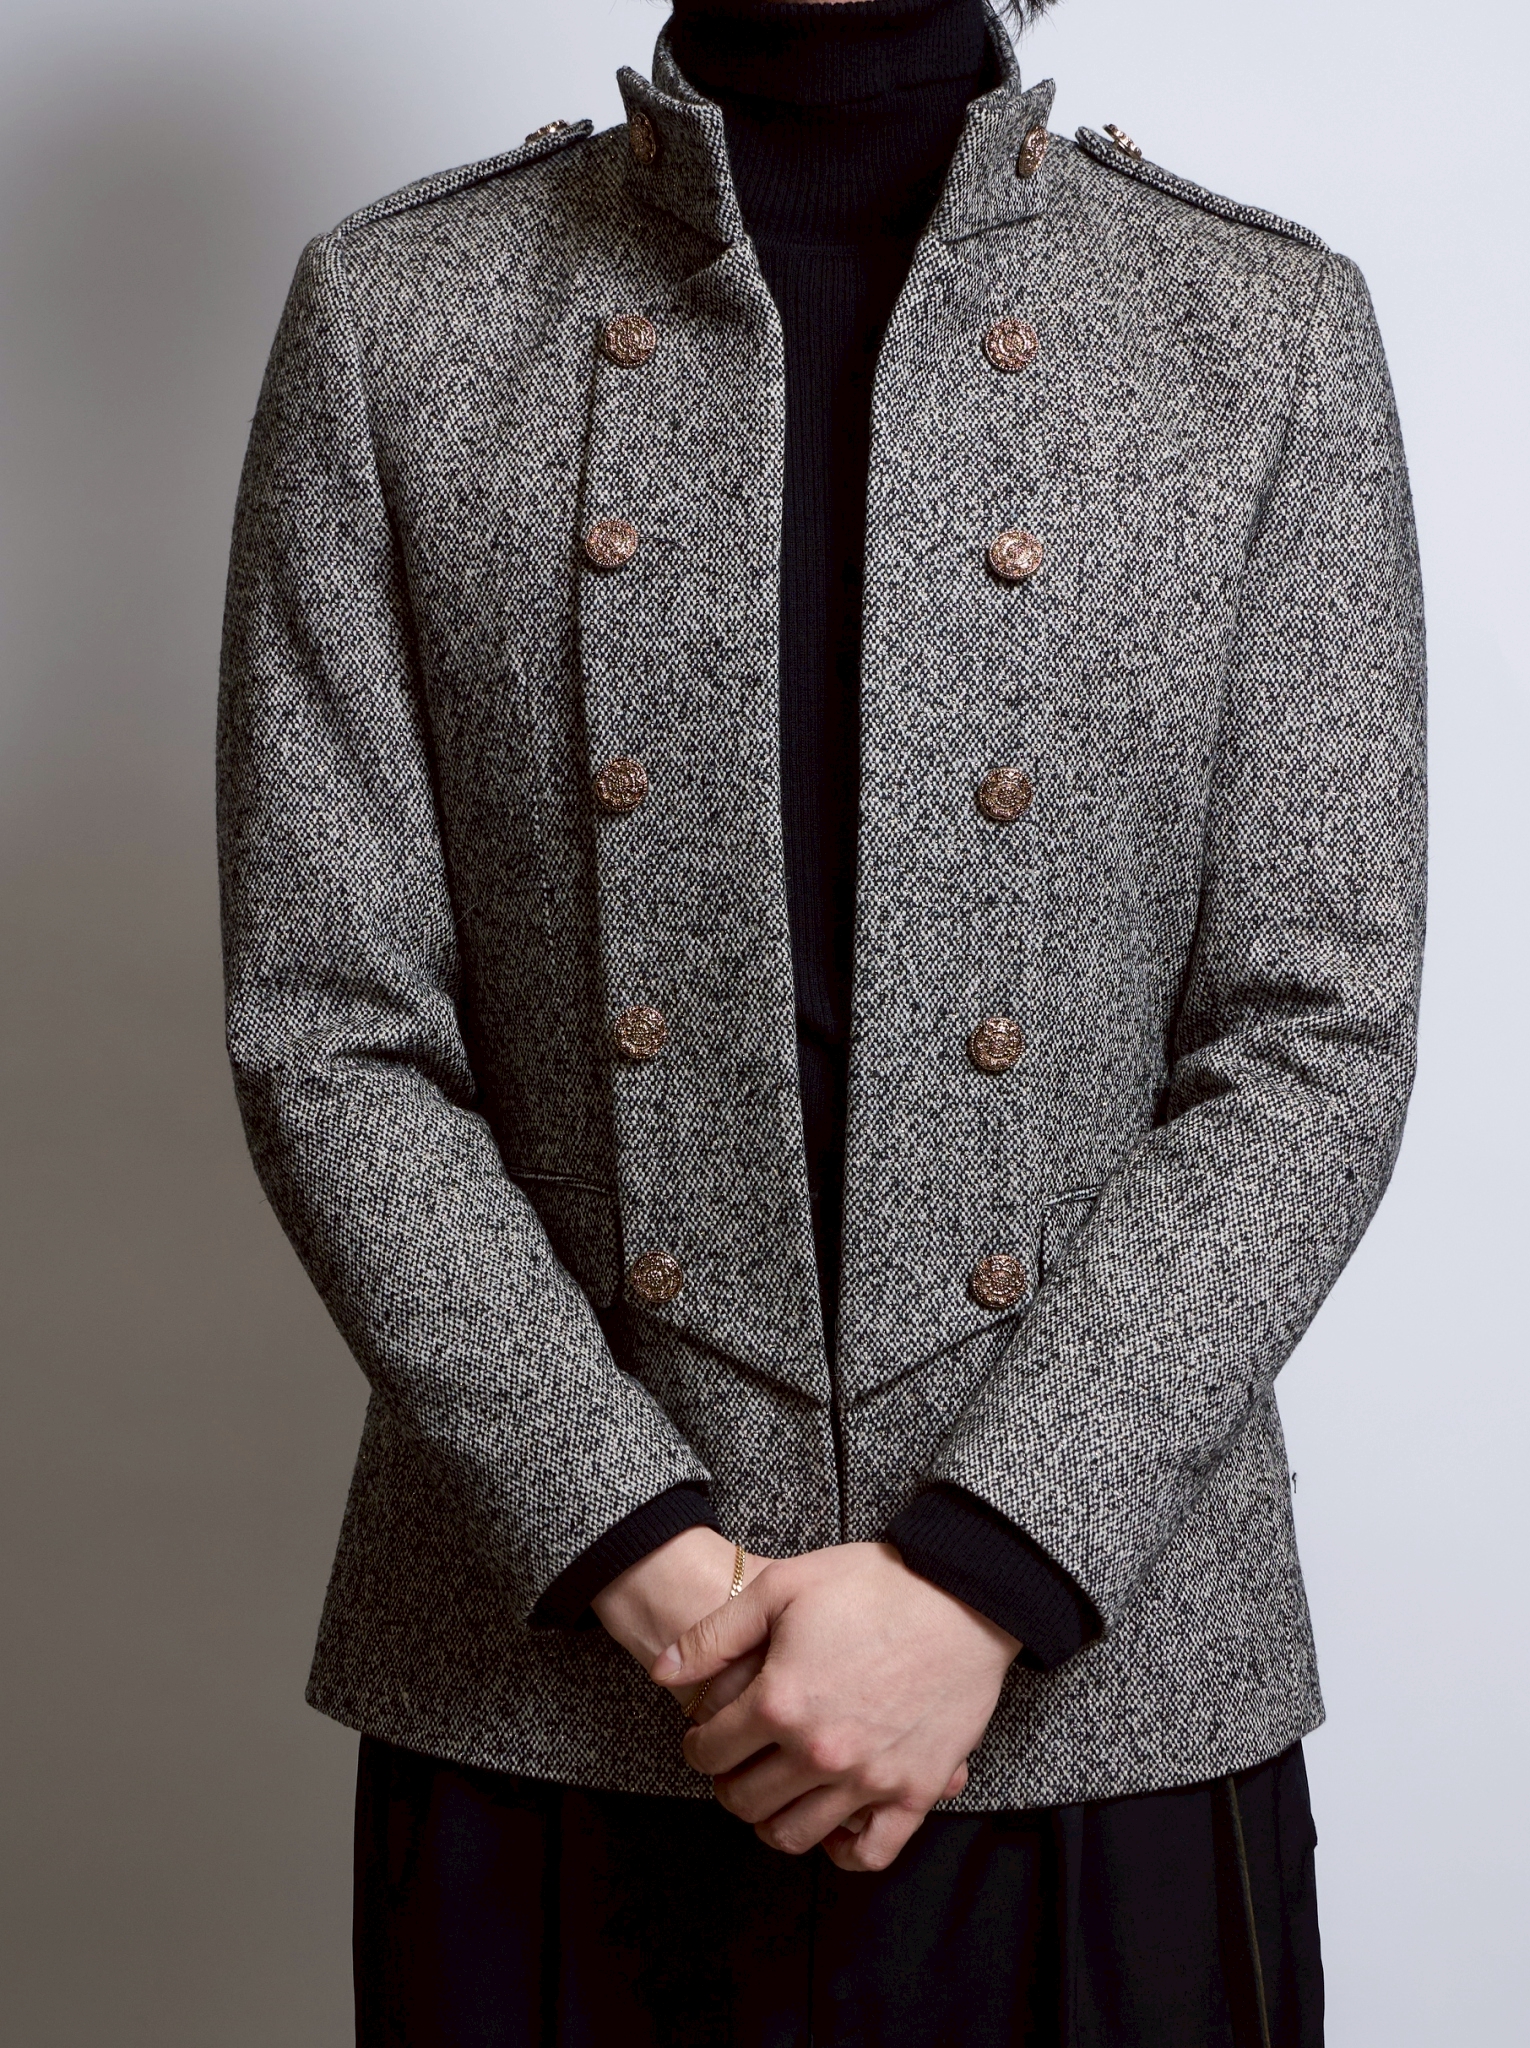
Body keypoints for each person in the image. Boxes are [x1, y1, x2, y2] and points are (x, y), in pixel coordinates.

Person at [217, 0, 1425, 2038]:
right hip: (556, 1684)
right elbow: (330, 1027)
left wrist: (986, 1572)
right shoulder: (398, 313)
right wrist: (648, 1555)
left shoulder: (1256, 329)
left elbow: (1314, 1035)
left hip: (1096, 1682)